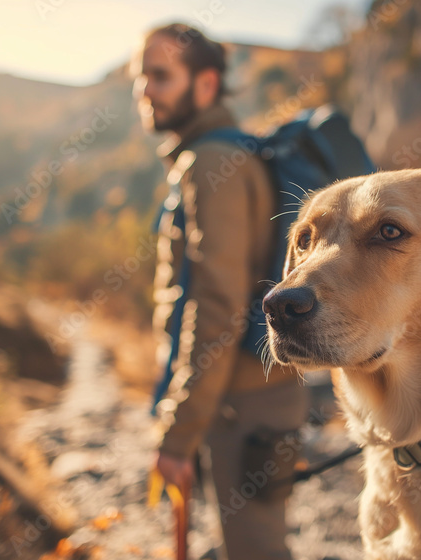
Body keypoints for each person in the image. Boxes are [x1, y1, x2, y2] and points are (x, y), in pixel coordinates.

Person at [132, 23, 309, 560]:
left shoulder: (211, 162)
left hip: (243, 405)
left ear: (206, 85)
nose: (145, 89)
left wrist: (179, 436)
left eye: (160, 76)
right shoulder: (227, 153)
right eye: (141, 76)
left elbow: (216, 309)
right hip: (253, 395)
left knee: (255, 552)